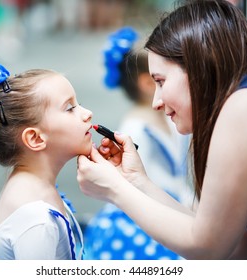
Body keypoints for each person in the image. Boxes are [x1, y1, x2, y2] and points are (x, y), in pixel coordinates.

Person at [77, 0, 247, 259]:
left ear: (199, 66)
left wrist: (114, 189)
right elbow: (228, 247)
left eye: (161, 81)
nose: (156, 101)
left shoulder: (243, 108)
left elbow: (208, 247)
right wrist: (137, 182)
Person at [0, 63, 93, 259]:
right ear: (35, 139)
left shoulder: (32, 186)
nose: (87, 113)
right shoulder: (37, 221)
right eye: (70, 108)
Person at [84, 26, 192, 260]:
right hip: (143, 220)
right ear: (146, 83)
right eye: (160, 80)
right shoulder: (135, 129)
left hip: (170, 208)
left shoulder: (172, 118)